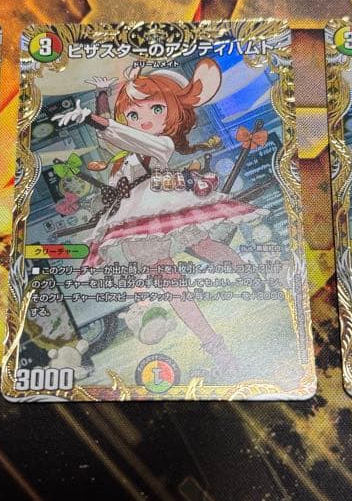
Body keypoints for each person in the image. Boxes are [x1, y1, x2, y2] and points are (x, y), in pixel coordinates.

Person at [54, 59, 264, 376]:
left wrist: (95, 118)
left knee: (204, 246)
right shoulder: (123, 156)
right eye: (133, 114)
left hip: (163, 204)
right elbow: (111, 138)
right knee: (171, 282)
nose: (144, 119)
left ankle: (250, 275)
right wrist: (101, 97)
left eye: (156, 109)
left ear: (171, 112)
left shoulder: (162, 143)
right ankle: (214, 346)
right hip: (136, 215)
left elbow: (125, 136)